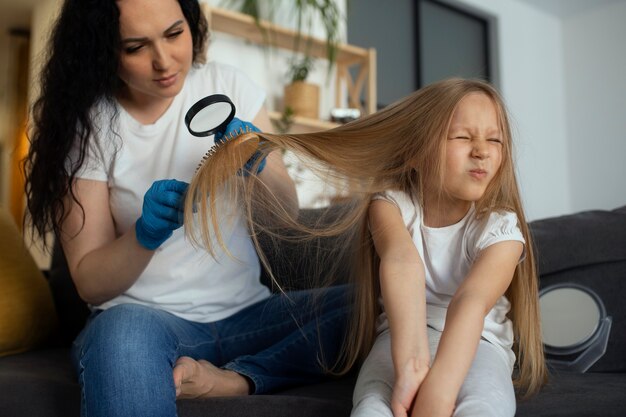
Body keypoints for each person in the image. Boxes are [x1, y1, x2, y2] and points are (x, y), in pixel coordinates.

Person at [23, 1, 350, 416]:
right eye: (135, 47)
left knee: (377, 304)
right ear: (101, 50)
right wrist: (145, 235)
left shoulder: (229, 85)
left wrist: (260, 165)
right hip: (146, 323)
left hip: (250, 314)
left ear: (191, 24)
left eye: (175, 34)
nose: (164, 61)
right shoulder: (90, 125)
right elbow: (90, 281)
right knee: (120, 337)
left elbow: (285, 213)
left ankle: (238, 380)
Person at [186, 78, 548, 417]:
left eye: (495, 140)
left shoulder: (501, 228)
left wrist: (438, 388)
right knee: (373, 406)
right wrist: (411, 365)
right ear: (416, 152)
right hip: (401, 337)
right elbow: (401, 262)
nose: (482, 151)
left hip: (479, 345)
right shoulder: (389, 204)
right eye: (462, 137)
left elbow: (471, 302)